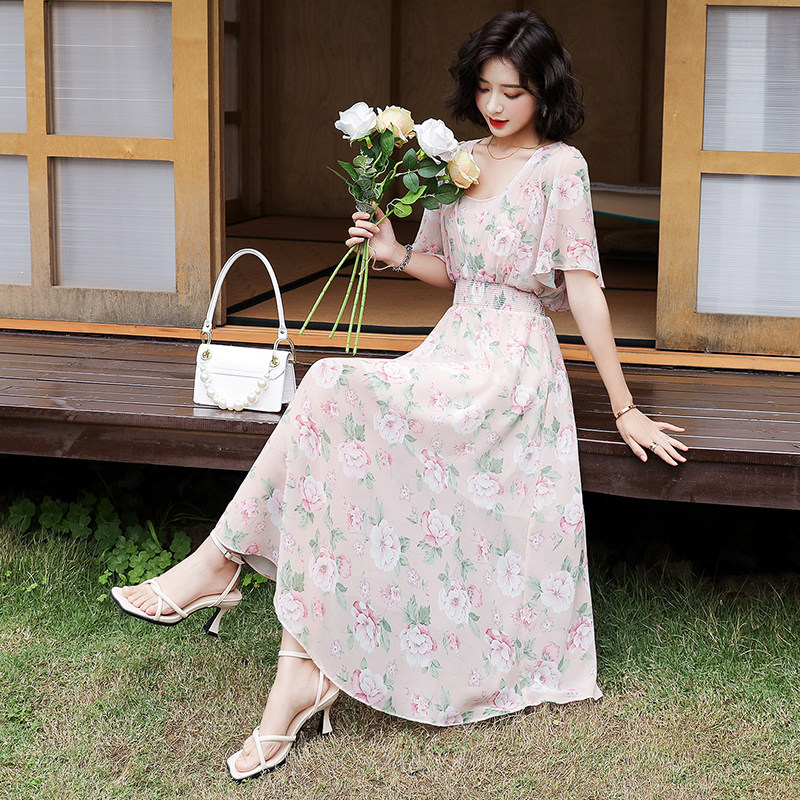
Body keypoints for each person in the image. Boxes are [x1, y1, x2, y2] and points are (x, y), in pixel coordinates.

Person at [112, 8, 688, 782]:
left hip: (511, 368)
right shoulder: (459, 161)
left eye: (513, 91)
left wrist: (623, 406)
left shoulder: (562, 168)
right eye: (484, 88)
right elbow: (445, 269)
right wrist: (392, 252)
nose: (495, 105)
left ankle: (222, 569)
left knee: (332, 386)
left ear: (544, 92)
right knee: (333, 400)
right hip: (452, 345)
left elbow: (582, 289)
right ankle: (287, 656)